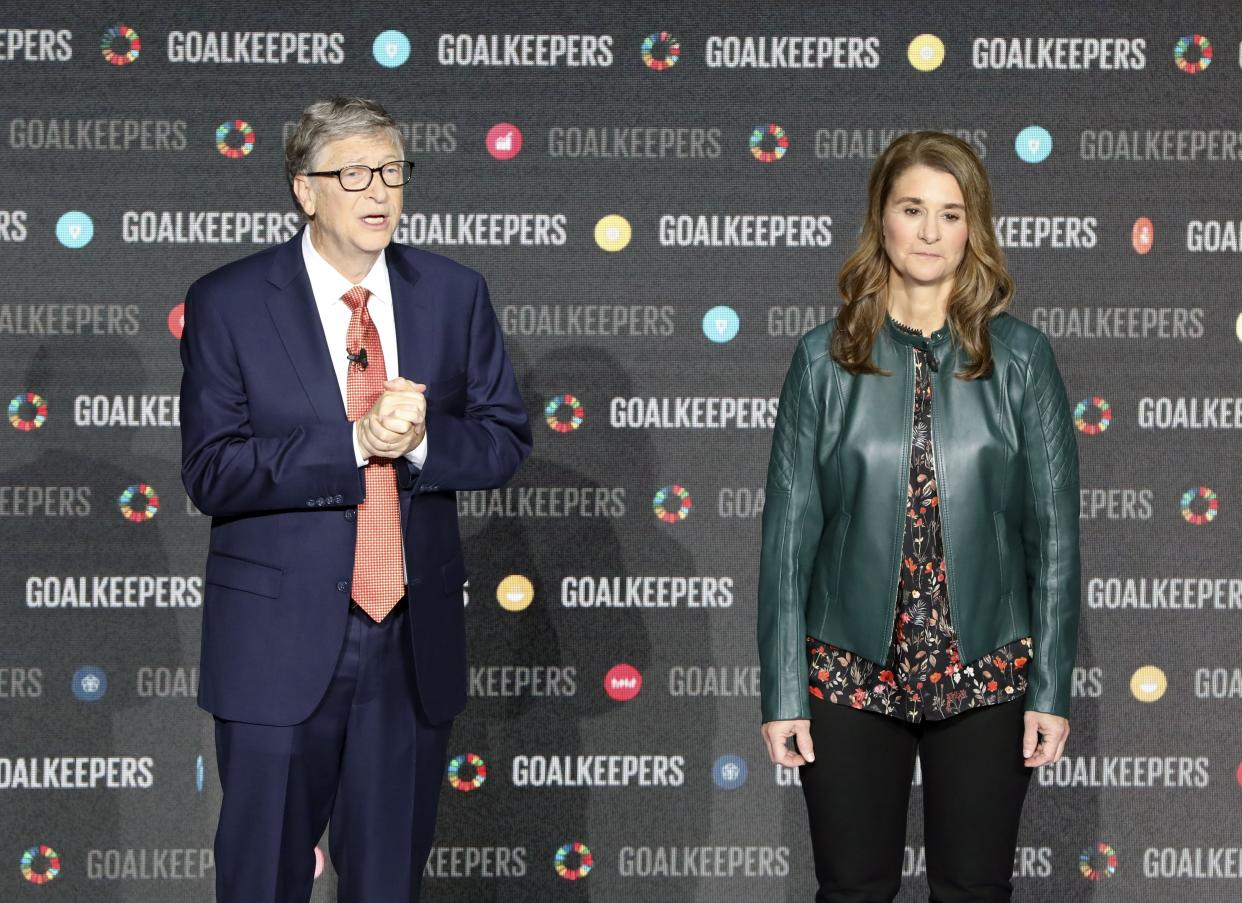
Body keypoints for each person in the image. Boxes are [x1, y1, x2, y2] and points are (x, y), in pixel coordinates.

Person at [179, 96, 532, 903]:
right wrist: (354, 442)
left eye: (393, 172)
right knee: (262, 880)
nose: (379, 192)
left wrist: (421, 441)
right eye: (354, 174)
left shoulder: (452, 292)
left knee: (386, 885)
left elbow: (504, 440)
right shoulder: (228, 302)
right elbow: (212, 469)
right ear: (305, 189)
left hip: (408, 647)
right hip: (275, 648)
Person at [757, 131, 1080, 902]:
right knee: (852, 890)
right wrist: (783, 692)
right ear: (883, 219)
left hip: (988, 670)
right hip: (847, 672)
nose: (931, 232)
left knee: (974, 890)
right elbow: (788, 536)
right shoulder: (822, 358)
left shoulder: (1024, 358)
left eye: (951, 213)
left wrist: (1051, 686)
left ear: (975, 229)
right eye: (913, 210)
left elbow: (1056, 537)